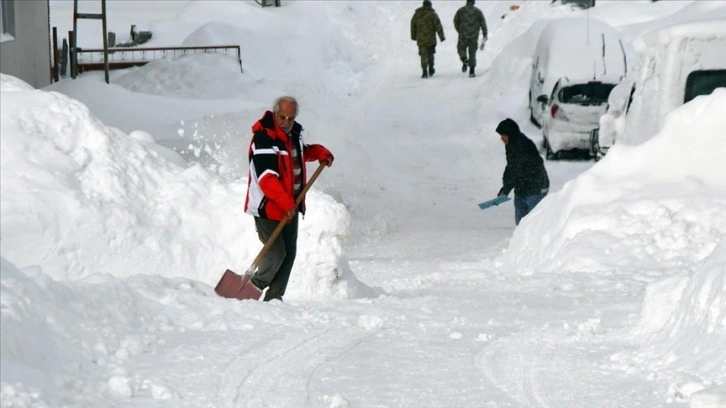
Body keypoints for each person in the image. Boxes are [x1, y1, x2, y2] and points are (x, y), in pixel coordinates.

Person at [242, 96, 334, 301]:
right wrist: (286, 203)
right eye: (282, 117)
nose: (285, 122)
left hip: (291, 204)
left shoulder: (293, 134)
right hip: (269, 207)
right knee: (276, 253)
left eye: (290, 118)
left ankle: (274, 298)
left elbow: (300, 154)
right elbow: (266, 178)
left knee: (289, 254)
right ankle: (251, 290)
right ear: (274, 113)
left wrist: (320, 152)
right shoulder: (263, 138)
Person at [495, 118, 549, 225]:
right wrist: (505, 186)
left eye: (503, 135)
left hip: (536, 188)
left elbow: (518, 170)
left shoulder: (523, 146)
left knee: (533, 224)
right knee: (520, 224)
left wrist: (506, 189)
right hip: (522, 188)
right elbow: (510, 167)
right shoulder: (511, 145)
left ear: (510, 134)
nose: (501, 138)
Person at [410, 0, 445, 79]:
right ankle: (431, 68)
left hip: (421, 39)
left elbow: (413, 25)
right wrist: (441, 37)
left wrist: (413, 36)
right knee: (430, 54)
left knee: (423, 55)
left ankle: (424, 71)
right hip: (431, 39)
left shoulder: (417, 14)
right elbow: (438, 26)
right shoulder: (433, 14)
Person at [454, 0, 488, 78]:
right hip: (474, 36)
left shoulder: (461, 10)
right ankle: (472, 71)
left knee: (461, 49)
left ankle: (464, 59)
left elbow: (455, 21)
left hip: (463, 35)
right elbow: (483, 23)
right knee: (472, 53)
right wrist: (485, 34)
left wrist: (459, 30)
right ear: (473, 2)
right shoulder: (478, 11)